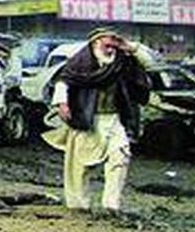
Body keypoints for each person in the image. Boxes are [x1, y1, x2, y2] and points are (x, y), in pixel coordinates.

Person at [43, 27, 151, 213]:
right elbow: (64, 81)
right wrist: (62, 103)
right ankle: (79, 204)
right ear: (96, 41)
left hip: (114, 119)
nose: (112, 47)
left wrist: (129, 47)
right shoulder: (81, 61)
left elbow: (149, 63)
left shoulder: (121, 61)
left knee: (120, 156)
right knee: (79, 166)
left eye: (115, 42)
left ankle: (111, 205)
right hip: (86, 118)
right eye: (109, 41)